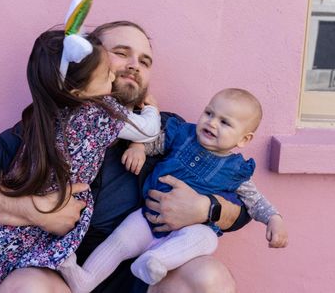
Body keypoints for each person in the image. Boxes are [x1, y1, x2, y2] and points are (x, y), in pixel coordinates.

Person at [0, 21, 250, 293]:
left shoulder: (169, 132)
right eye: (122, 53)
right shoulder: (45, 128)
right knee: (31, 289)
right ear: (89, 60)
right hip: (53, 269)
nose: (134, 65)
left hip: (130, 272)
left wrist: (208, 208)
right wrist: (36, 210)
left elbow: (243, 206)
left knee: (210, 278)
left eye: (145, 61)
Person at [59, 89, 288, 292]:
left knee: (207, 238)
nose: (212, 123)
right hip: (149, 217)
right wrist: (139, 147)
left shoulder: (237, 169)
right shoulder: (183, 136)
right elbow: (153, 141)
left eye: (225, 122)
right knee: (120, 241)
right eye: (209, 113)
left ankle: (155, 261)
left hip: (186, 232)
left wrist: (274, 219)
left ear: (244, 139)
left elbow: (254, 201)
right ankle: (84, 280)